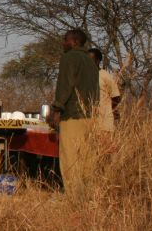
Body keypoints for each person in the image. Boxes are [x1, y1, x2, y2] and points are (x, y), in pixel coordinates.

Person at [46, 29, 100, 195]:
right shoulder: (91, 61)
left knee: (70, 157)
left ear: (75, 41)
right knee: (86, 158)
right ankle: (88, 195)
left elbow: (65, 85)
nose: (63, 42)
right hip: (90, 116)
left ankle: (73, 196)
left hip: (73, 115)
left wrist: (56, 109)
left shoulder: (69, 57)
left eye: (65, 39)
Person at [87, 48, 124, 133]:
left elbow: (116, 96)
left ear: (98, 61)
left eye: (90, 59)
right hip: (89, 121)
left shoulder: (105, 75)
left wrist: (112, 111)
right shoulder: (84, 77)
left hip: (104, 121)